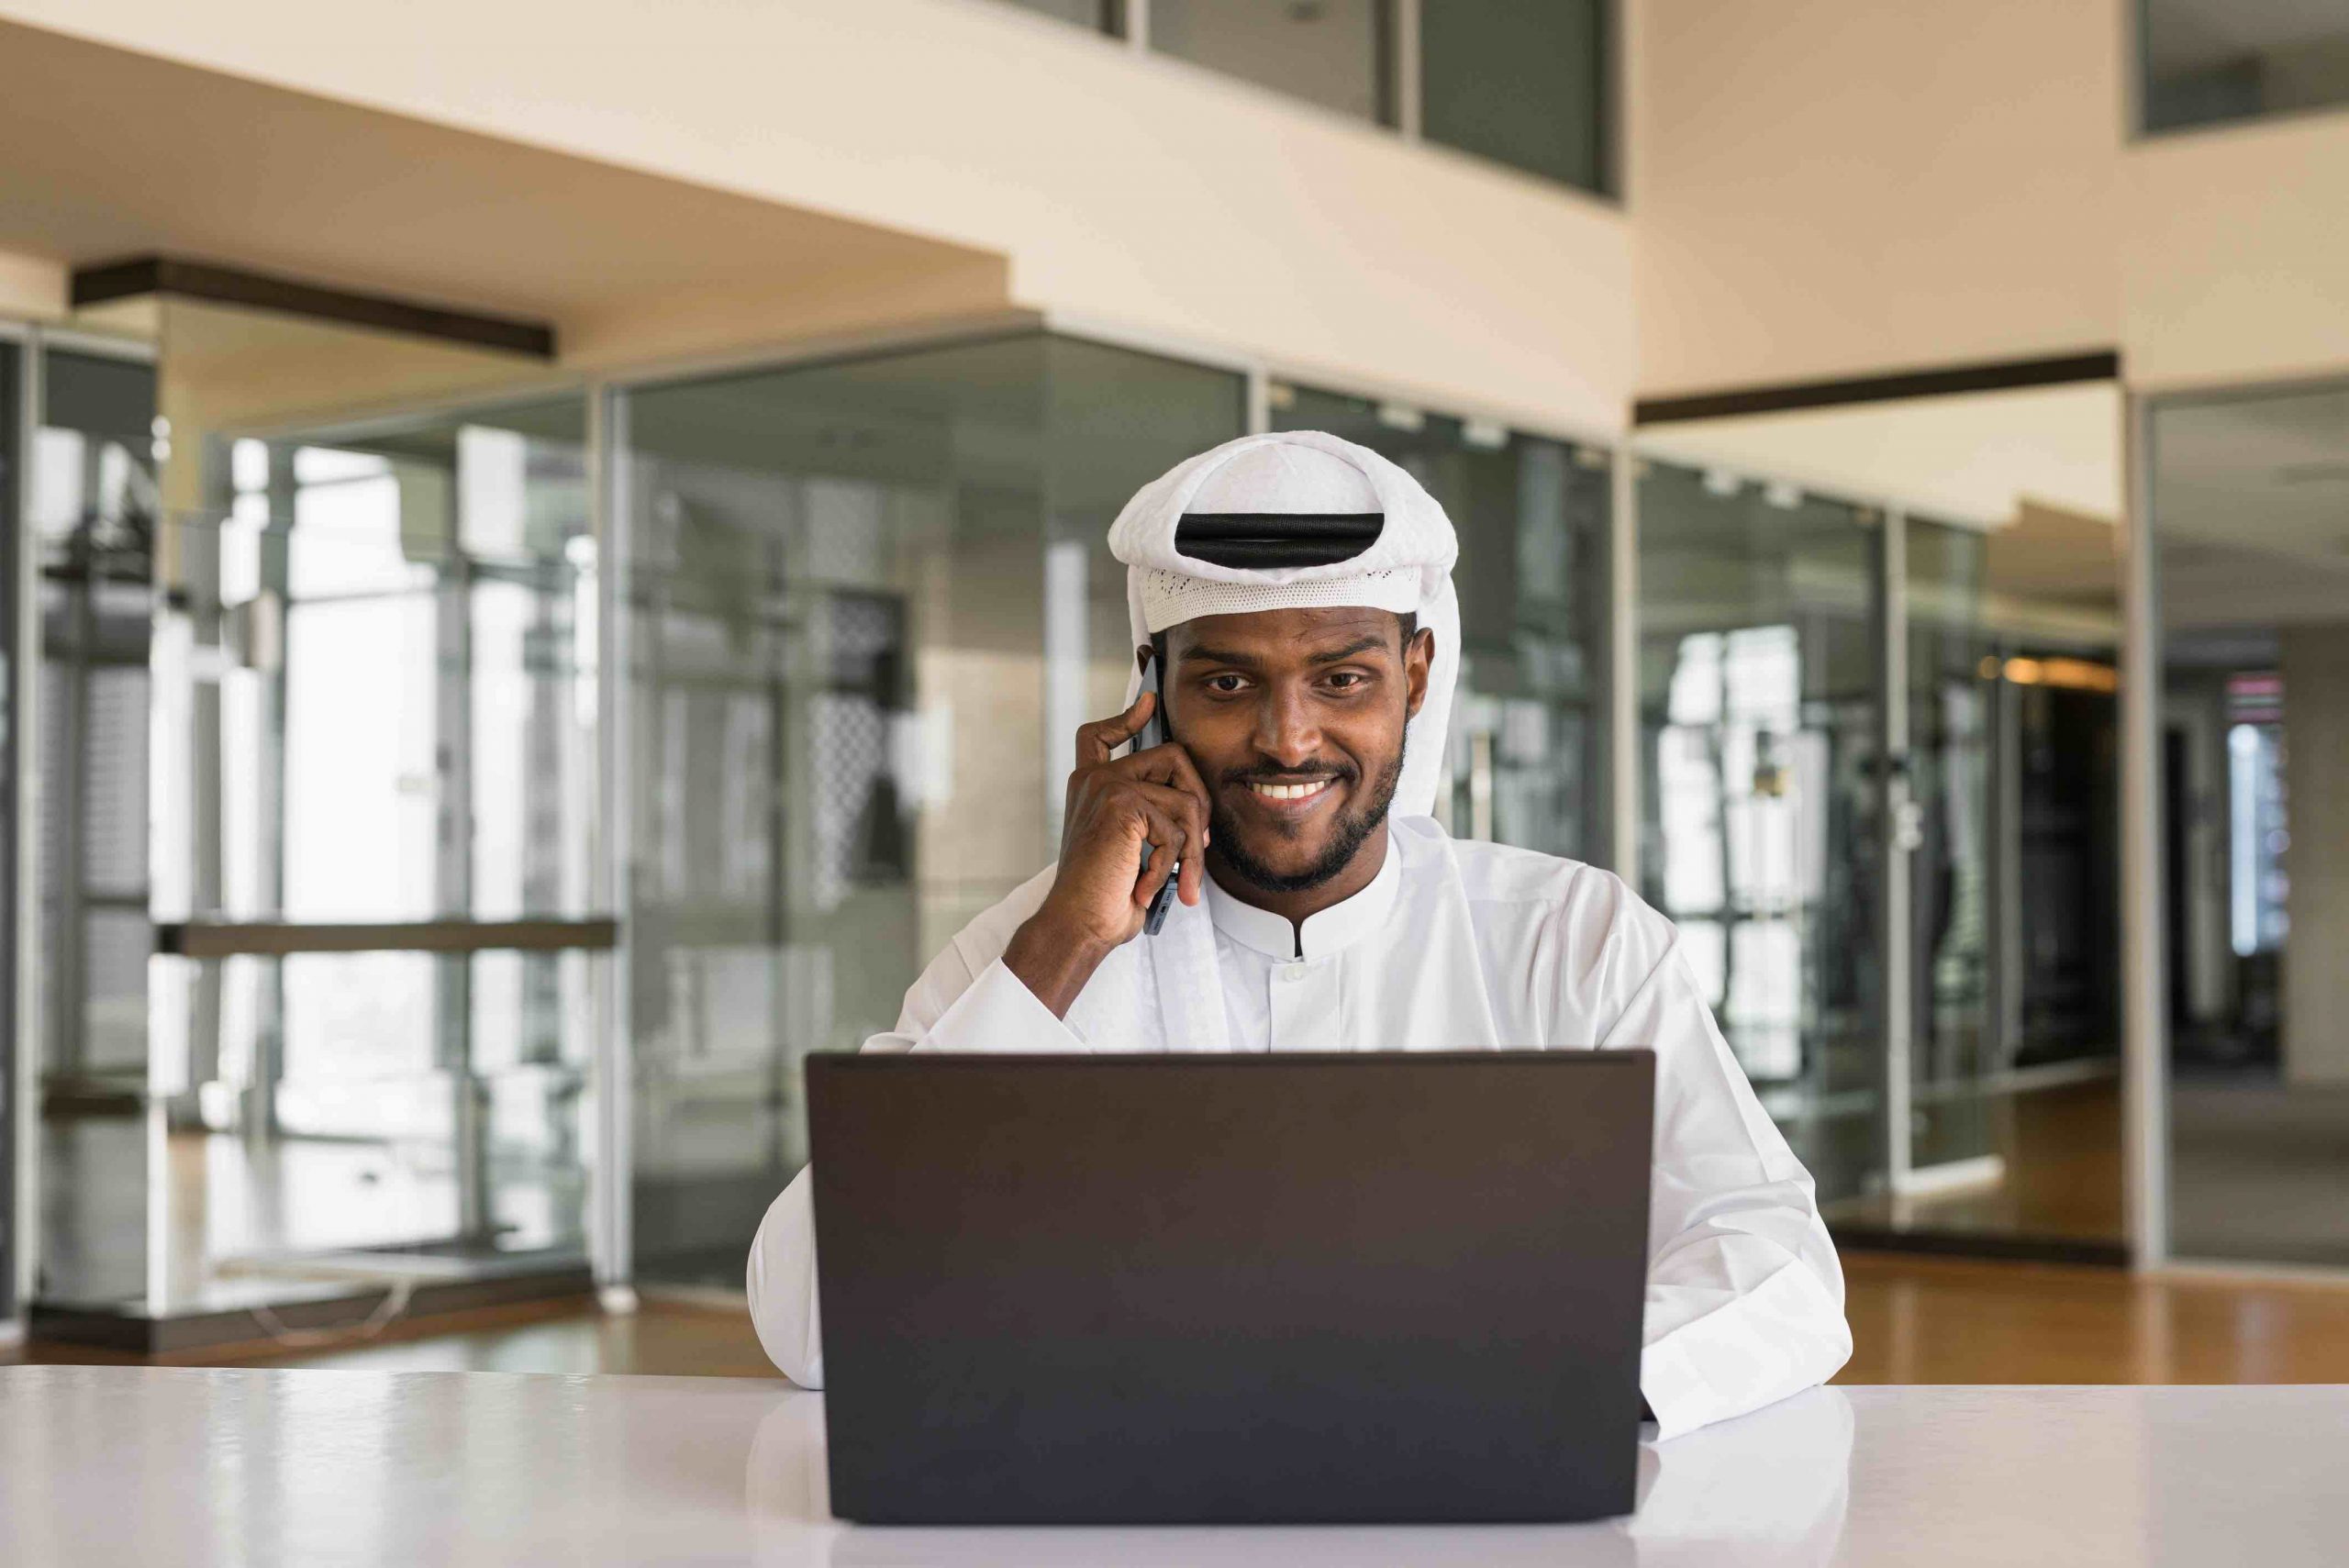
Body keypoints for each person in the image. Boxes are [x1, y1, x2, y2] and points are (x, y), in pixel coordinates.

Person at [748, 431, 1852, 1440]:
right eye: (1228, 680)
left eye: (1342, 678)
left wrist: (1529, 1385)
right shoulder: (1036, 947)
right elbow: (812, 1325)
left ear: (1414, 679)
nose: (1288, 738)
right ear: (1151, 696)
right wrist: (1063, 947)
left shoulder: (1572, 938)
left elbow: (1782, 1261)